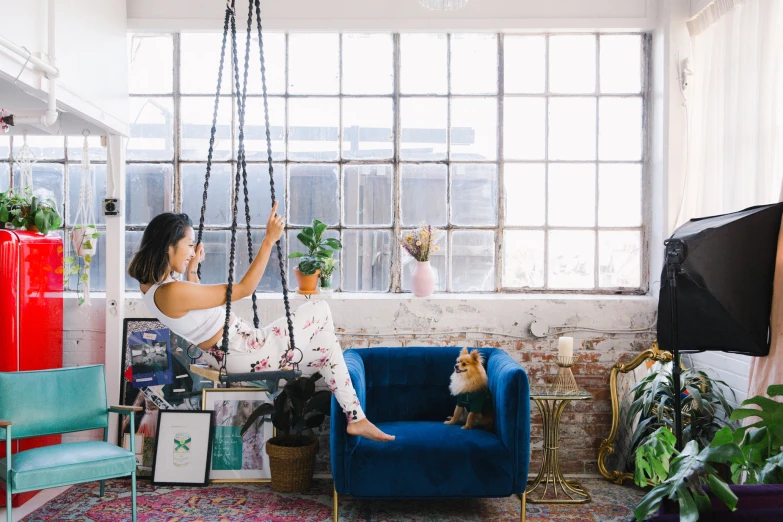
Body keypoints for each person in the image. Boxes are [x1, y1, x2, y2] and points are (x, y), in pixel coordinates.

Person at [127, 204, 394, 442]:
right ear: (168, 246)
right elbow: (242, 289)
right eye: (188, 244)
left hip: (239, 348)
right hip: (244, 351)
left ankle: (356, 419)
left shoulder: (154, 288)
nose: (191, 250)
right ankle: (345, 408)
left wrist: (193, 270)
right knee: (319, 308)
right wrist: (269, 240)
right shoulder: (171, 292)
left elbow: (193, 313)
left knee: (325, 346)